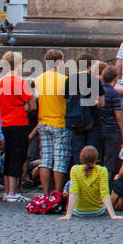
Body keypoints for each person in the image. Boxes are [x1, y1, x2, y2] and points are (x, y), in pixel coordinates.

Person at [0, 51, 33, 201]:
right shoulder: (19, 82)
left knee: (9, 156)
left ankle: (7, 191)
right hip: (19, 122)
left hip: (5, 123)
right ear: (17, 65)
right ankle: (13, 192)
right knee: (18, 156)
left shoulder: (1, 81)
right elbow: (31, 105)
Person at [34, 49, 71, 197]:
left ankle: (46, 193)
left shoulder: (39, 79)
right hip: (60, 121)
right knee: (60, 160)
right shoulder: (64, 80)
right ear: (60, 61)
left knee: (46, 159)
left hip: (43, 121)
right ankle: (57, 193)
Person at [60, 146, 123, 221]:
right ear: (96, 158)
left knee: (69, 184)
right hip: (98, 211)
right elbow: (104, 193)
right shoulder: (102, 170)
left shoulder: (75, 169)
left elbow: (74, 192)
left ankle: (66, 207)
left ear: (81, 158)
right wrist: (113, 215)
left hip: (78, 211)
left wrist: (68, 214)